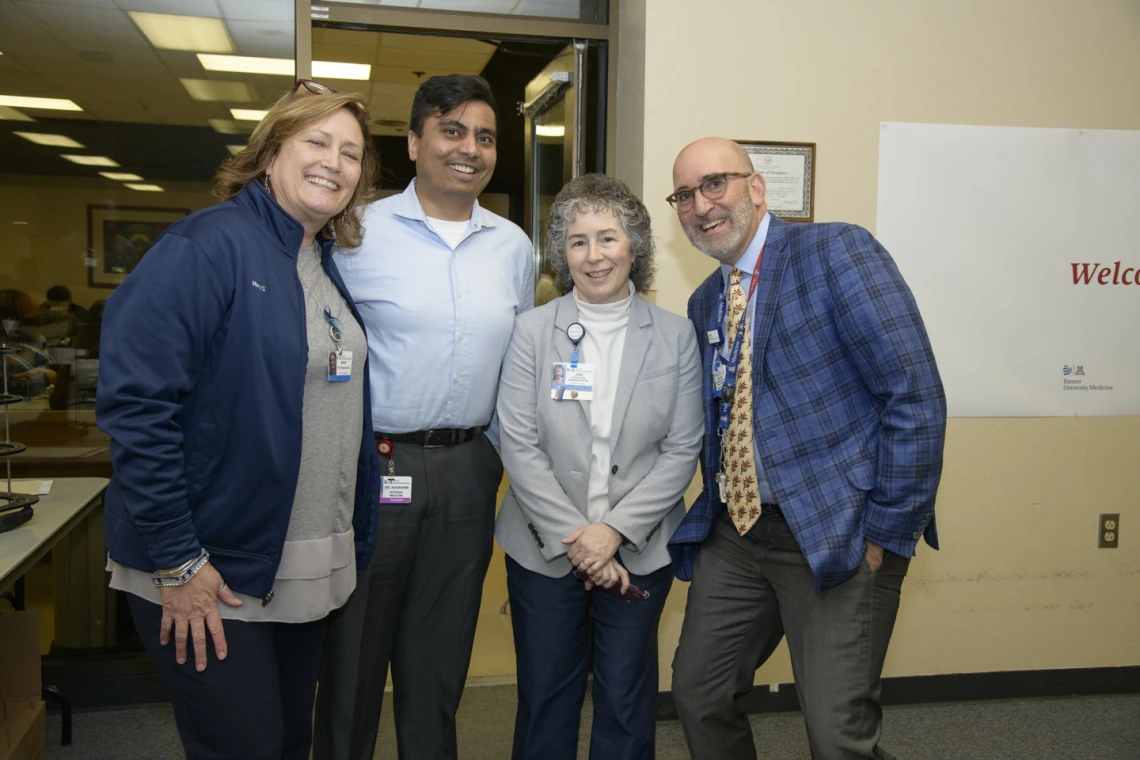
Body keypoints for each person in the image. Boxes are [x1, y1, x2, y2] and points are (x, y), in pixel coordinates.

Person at [96, 79, 381, 760]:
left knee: (286, 743)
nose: (333, 163)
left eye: (350, 153)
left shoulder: (316, 259)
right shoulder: (207, 247)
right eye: (317, 141)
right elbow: (137, 408)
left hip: (297, 560)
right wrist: (177, 561)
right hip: (211, 567)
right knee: (243, 747)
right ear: (270, 151)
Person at [666, 137, 947, 760]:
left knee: (836, 732)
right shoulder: (705, 300)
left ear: (757, 188)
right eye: (684, 194)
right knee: (699, 694)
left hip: (837, 533)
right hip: (738, 534)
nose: (700, 205)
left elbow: (915, 396)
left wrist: (885, 532)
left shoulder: (835, 252)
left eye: (716, 184)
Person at [314, 74, 533, 760]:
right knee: (354, 654)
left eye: (485, 136)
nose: (470, 148)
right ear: (414, 143)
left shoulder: (514, 247)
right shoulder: (355, 232)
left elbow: (521, 365)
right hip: (378, 465)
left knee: (439, 659)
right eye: (452, 130)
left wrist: (502, 460)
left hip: (470, 469)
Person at [495, 173, 703, 759]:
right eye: (578, 240)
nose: (594, 255)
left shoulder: (675, 336)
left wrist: (611, 533)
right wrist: (580, 542)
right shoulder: (532, 332)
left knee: (625, 698)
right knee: (546, 696)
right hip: (542, 549)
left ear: (633, 245)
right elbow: (519, 442)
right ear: (563, 253)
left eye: (607, 238)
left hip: (640, 550)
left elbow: (682, 449)